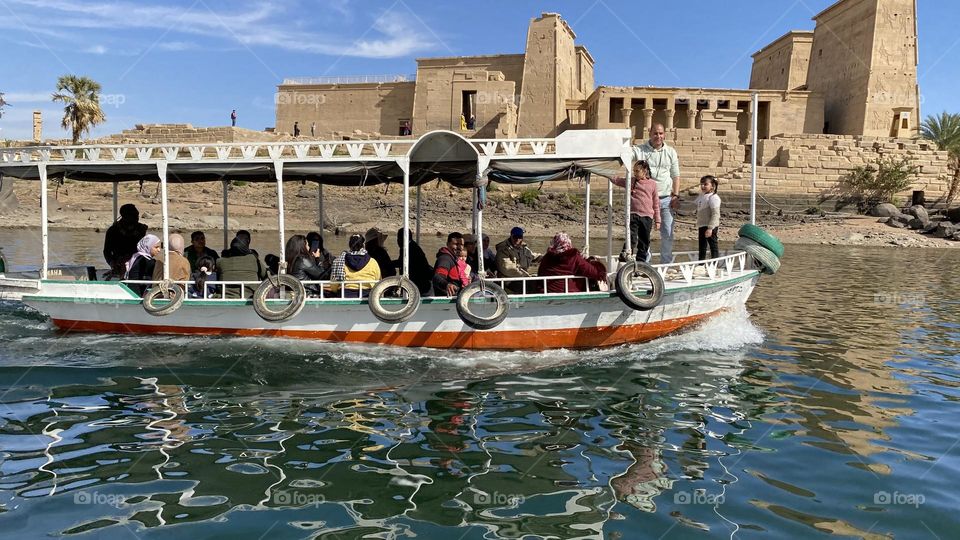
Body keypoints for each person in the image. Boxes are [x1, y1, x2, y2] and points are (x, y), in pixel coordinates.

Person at [633, 123, 681, 263]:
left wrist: (676, 196)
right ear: (650, 133)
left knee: (667, 233)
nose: (658, 136)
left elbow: (676, 175)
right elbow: (627, 154)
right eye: (655, 133)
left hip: (666, 198)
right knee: (644, 234)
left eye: (660, 133)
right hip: (646, 200)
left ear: (664, 134)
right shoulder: (641, 150)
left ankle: (665, 264)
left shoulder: (671, 152)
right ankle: (645, 263)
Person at [612, 160, 661, 262]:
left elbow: (656, 203)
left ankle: (641, 261)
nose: (635, 173)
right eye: (634, 171)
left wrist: (657, 220)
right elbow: (618, 181)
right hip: (633, 215)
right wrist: (607, 173)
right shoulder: (632, 181)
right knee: (631, 237)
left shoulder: (652, 184)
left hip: (647, 216)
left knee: (644, 241)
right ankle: (624, 256)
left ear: (645, 171)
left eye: (637, 171)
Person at [536, 232, 608, 293]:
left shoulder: (547, 257)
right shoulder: (573, 256)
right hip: (569, 292)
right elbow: (594, 272)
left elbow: (540, 273)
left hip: (547, 291)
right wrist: (595, 263)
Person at [103, 203, 147, 279]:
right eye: (134, 216)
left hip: (137, 261)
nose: (137, 218)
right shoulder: (113, 230)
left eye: (137, 215)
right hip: (119, 262)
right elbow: (107, 251)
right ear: (125, 216)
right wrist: (112, 264)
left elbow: (143, 248)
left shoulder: (140, 228)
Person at [495, 226, 541, 293]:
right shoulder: (503, 250)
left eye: (520, 237)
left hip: (522, 277)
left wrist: (543, 257)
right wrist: (526, 276)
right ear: (511, 236)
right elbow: (508, 268)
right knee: (530, 286)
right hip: (508, 280)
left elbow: (532, 256)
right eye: (515, 237)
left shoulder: (523, 248)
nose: (517, 239)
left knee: (539, 282)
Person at [216, 234, 263, 298]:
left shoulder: (220, 261)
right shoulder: (253, 258)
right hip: (249, 297)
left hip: (225, 296)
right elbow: (265, 275)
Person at [394, 228, 433, 295]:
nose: (397, 241)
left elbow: (402, 263)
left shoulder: (409, 248)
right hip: (419, 282)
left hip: (421, 284)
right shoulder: (410, 246)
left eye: (398, 238)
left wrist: (388, 264)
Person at [696, 175, 722, 261]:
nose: (703, 186)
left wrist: (710, 228)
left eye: (705, 184)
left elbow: (715, 214)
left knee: (713, 245)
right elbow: (692, 205)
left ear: (712, 186)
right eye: (701, 184)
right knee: (702, 245)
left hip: (710, 226)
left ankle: (715, 263)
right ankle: (701, 263)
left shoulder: (713, 197)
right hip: (702, 225)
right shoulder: (701, 196)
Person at [432, 232, 466, 297]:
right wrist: (447, 285)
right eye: (456, 244)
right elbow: (437, 277)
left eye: (461, 245)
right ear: (447, 244)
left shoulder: (455, 259)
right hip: (448, 298)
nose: (459, 247)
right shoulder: (445, 259)